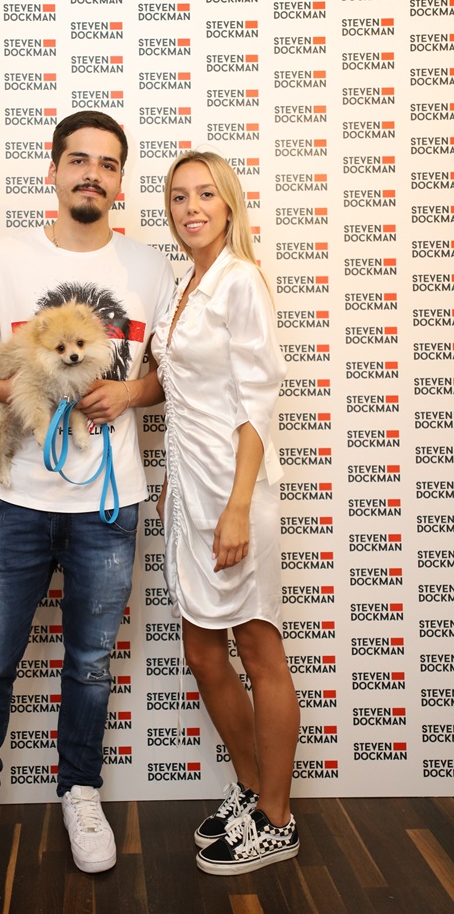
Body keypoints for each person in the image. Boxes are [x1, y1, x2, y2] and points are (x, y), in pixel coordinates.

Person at [0, 110, 174, 883]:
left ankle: (79, 792)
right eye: (78, 159)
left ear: (120, 181)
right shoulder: (5, 257)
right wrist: (17, 391)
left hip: (108, 502)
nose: (91, 173)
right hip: (17, 499)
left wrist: (128, 394)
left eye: (107, 163)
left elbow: (175, 375)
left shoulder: (151, 269)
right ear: (54, 171)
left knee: (90, 666)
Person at [151, 150, 300, 875]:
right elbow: (180, 392)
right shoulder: (182, 284)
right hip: (191, 492)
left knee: (258, 649)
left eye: (206, 194)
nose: (192, 208)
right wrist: (174, 484)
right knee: (202, 651)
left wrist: (237, 506)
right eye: (179, 197)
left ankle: (277, 817)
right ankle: (248, 788)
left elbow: (255, 401)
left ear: (229, 204)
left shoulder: (240, 281)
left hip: (236, 494)